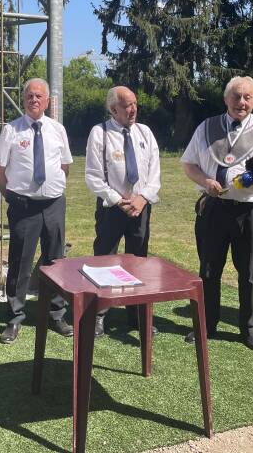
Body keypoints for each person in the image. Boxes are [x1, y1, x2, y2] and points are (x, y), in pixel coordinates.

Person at [181, 76, 253, 352]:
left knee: (249, 272)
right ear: (225, 98)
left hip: (250, 210)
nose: (241, 102)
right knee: (208, 269)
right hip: (213, 208)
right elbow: (189, 164)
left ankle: (250, 329)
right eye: (236, 96)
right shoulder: (207, 127)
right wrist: (205, 181)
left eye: (247, 97)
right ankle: (206, 325)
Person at [0, 78, 74, 344]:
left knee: (55, 261)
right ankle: (15, 317)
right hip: (23, 207)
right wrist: (12, 197)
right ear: (23, 99)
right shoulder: (11, 130)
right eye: (29, 96)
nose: (34, 100)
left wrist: (52, 188)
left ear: (48, 101)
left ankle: (56, 314)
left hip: (53, 205)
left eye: (39, 96)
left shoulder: (58, 129)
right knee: (20, 263)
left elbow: (65, 166)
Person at [84, 85, 161, 337]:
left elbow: (155, 174)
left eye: (135, 103)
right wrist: (119, 200)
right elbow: (93, 176)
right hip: (111, 209)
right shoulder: (100, 133)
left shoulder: (145, 132)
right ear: (113, 109)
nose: (133, 109)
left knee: (138, 262)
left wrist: (142, 198)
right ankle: (99, 315)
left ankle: (137, 316)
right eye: (127, 105)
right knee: (104, 261)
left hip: (140, 208)